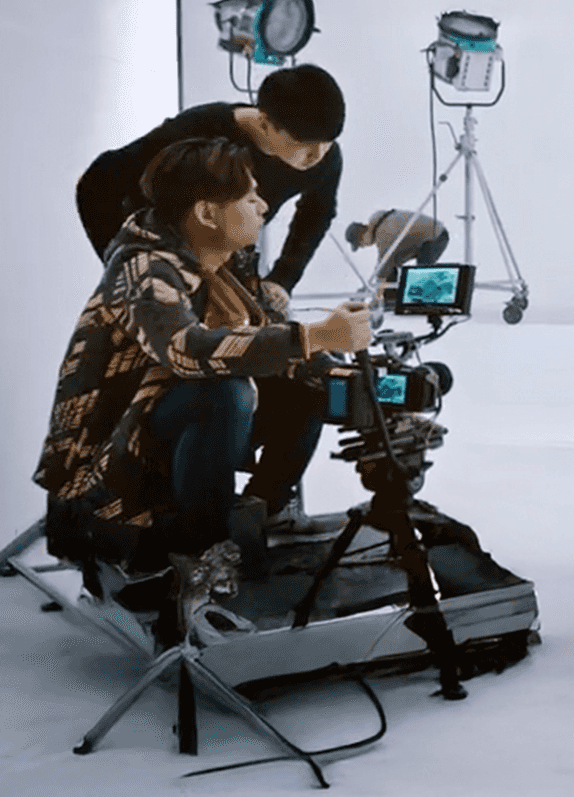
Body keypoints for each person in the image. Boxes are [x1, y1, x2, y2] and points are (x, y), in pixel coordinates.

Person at [34, 137, 372, 581]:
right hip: (102, 485)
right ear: (207, 213)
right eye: (249, 196)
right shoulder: (144, 268)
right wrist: (310, 336)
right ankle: (199, 552)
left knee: (301, 383)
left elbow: (272, 342)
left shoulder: (228, 262)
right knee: (222, 392)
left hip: (157, 441)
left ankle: (265, 513)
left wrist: (363, 387)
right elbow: (187, 351)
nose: (264, 205)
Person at [77, 64, 345, 293]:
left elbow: (316, 214)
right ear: (265, 123)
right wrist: (122, 264)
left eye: (328, 143)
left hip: (227, 267)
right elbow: (98, 181)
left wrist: (282, 282)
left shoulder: (324, 156)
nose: (318, 155)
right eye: (306, 145)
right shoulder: (200, 130)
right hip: (165, 258)